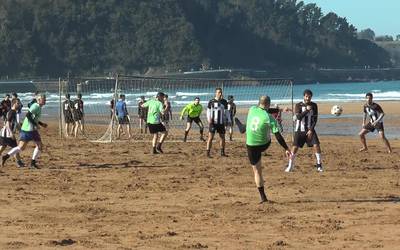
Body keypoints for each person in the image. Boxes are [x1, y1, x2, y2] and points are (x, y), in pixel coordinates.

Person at [245, 96, 291, 203]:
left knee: (257, 171)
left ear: (259, 103)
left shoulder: (252, 109)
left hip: (250, 144)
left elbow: (263, 109)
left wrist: (278, 110)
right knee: (270, 131)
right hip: (264, 144)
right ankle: (244, 128)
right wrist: (286, 148)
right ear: (268, 104)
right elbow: (278, 136)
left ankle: (263, 197)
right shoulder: (269, 117)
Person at [1, 94, 47, 169]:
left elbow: (33, 118)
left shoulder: (38, 106)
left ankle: (6, 157)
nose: (45, 101)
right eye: (44, 99)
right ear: (39, 100)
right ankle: (32, 163)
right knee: (27, 147)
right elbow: (28, 115)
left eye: (45, 99)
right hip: (28, 129)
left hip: (30, 129)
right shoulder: (35, 106)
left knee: (26, 147)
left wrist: (41, 124)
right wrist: (35, 124)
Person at [285, 89, 322, 172]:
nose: (308, 98)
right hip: (299, 130)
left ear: (311, 97)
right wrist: (307, 110)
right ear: (304, 96)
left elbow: (315, 119)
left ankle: (319, 165)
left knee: (316, 145)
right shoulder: (298, 105)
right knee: (294, 148)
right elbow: (298, 117)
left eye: (309, 97)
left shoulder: (314, 105)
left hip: (310, 130)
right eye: (306, 96)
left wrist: (311, 130)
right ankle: (290, 166)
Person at [206, 87, 231, 157]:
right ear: (215, 93)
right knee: (210, 137)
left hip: (221, 123)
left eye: (221, 92)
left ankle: (222, 153)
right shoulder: (211, 101)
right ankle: (208, 153)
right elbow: (208, 111)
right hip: (213, 123)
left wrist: (229, 120)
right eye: (218, 92)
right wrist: (209, 119)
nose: (220, 94)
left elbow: (227, 112)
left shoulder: (224, 102)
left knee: (222, 137)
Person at [0, 99, 24, 168]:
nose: (19, 105)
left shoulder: (14, 112)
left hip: (4, 133)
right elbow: (7, 123)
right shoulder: (12, 112)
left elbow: (16, 123)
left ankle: (19, 162)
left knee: (3, 147)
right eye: (18, 103)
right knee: (15, 148)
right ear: (14, 104)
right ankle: (19, 162)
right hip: (7, 133)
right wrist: (11, 133)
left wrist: (21, 131)